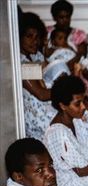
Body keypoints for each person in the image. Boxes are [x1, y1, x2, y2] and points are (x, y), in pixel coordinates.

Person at [18, 12, 70, 142]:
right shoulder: (23, 62)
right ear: (18, 37)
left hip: (48, 102)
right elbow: (41, 94)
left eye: (37, 37)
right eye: (29, 36)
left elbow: (51, 72)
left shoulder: (36, 56)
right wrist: (68, 92)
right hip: (38, 111)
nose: (34, 41)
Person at [46, 0, 88, 95]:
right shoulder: (48, 32)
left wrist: (67, 66)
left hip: (74, 66)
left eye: (67, 17)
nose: (65, 20)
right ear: (54, 17)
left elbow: (81, 54)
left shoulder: (78, 34)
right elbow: (44, 53)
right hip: (56, 69)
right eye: (61, 17)